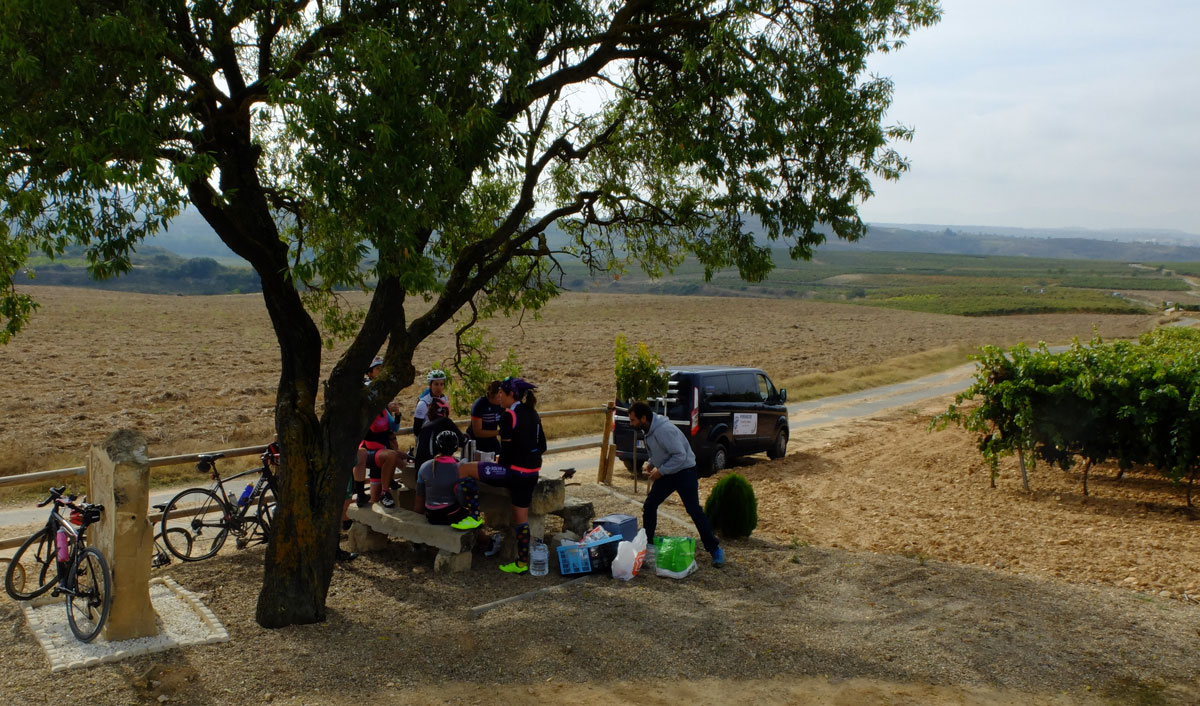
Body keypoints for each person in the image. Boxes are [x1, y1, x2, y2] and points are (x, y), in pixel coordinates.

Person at [627, 400, 724, 568]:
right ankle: (649, 547)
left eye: (633, 420)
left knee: (693, 510)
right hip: (668, 472)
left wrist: (661, 471)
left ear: (643, 418)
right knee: (650, 505)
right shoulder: (648, 429)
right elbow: (661, 451)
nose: (631, 424)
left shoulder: (664, 430)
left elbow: (679, 455)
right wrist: (651, 463)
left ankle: (715, 549)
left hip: (685, 471)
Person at [472, 376, 546, 574]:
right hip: (531, 473)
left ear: (511, 394)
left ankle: (473, 518)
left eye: (501, 393)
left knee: (465, 469)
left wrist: (498, 463)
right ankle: (522, 563)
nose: (498, 397)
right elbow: (542, 445)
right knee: (521, 519)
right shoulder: (533, 413)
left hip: (512, 473)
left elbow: (505, 454)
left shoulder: (508, 416)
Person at [355, 356, 405, 509]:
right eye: (378, 369)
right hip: (370, 451)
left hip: (381, 451)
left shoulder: (383, 407)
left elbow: (394, 428)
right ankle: (385, 491)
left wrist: (397, 414)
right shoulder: (366, 407)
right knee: (392, 456)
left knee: (374, 497)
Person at [413, 430, 485, 531]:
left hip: (432, 516)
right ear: (456, 448)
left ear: (436, 445)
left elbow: (419, 498)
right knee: (475, 519)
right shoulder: (460, 468)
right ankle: (485, 538)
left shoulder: (424, 466)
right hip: (451, 515)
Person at [413, 398, 464, 472]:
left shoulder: (424, 426)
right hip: (434, 468)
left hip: (420, 469)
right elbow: (463, 441)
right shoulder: (445, 421)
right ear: (444, 412)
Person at [467, 380, 504, 457]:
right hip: (476, 442)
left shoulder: (501, 405)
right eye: (499, 395)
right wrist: (499, 432)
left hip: (491, 440)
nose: (501, 397)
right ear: (493, 394)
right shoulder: (479, 405)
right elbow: (477, 432)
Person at [412, 369, 449, 436]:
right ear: (430, 385)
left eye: (441, 384)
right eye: (436, 384)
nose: (439, 387)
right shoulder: (423, 403)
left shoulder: (444, 399)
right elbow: (416, 430)